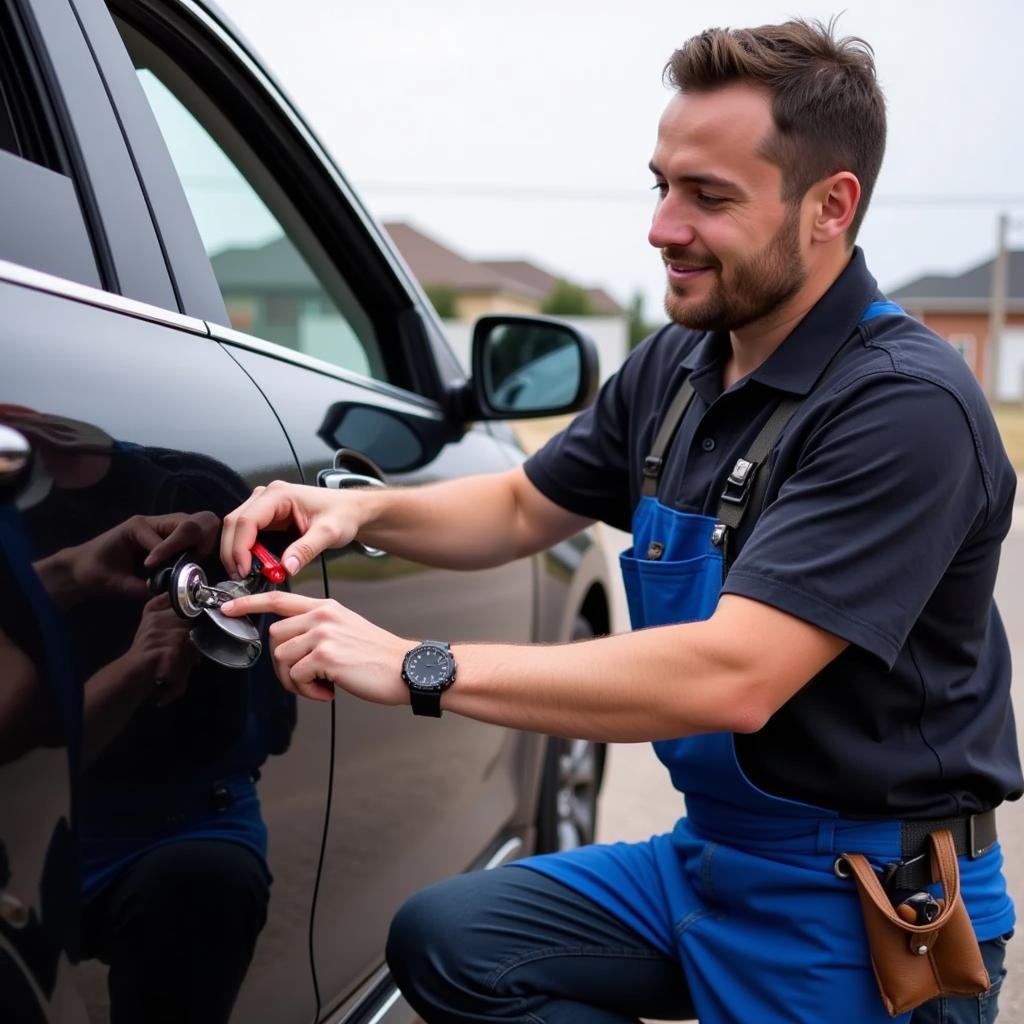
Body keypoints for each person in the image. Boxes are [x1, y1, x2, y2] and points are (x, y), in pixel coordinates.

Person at [218, 18, 1020, 1024]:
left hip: (862, 906)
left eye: (708, 197)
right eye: (661, 185)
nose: (660, 228)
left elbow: (736, 674)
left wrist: (419, 664)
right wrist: (354, 509)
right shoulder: (681, 366)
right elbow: (520, 504)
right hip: (712, 862)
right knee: (453, 942)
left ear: (829, 206)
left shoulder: (905, 406)